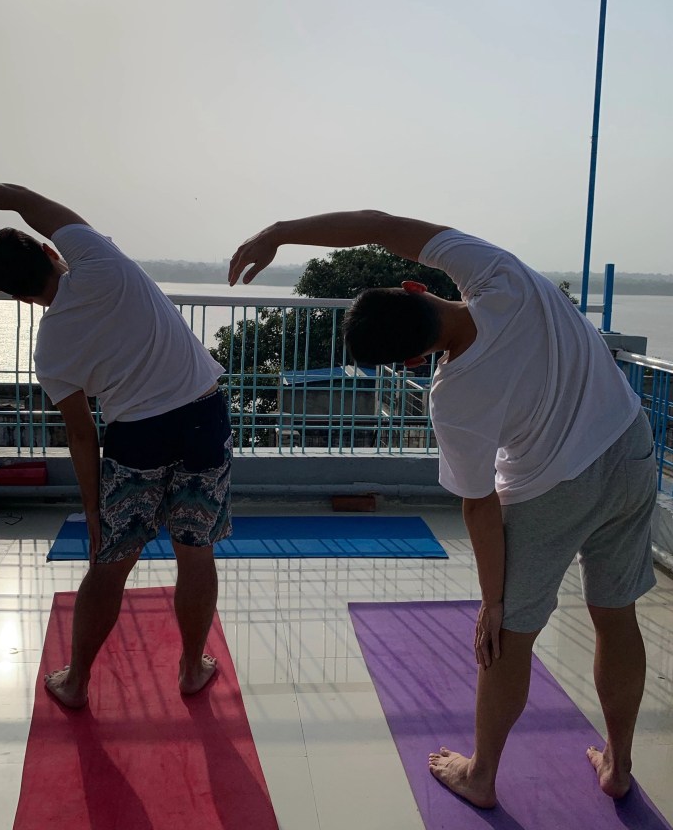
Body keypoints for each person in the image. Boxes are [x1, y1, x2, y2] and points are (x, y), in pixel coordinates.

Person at [229, 208, 656, 809]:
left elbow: (480, 507)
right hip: (630, 445)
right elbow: (379, 223)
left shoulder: (452, 398)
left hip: (551, 489)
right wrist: (278, 234)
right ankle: (619, 764)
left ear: (409, 361)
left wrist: (493, 603)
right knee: (616, 613)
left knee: (508, 638)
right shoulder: (501, 275)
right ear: (414, 285)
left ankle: (481, 776)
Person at [0, 179, 232, 704]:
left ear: (18, 296)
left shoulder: (52, 348)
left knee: (110, 563)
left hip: (138, 437)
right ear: (48, 249)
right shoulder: (103, 263)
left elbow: (82, 433)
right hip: (202, 414)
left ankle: (78, 681)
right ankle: (191, 670)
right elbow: (16, 196)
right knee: (195, 552)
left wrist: (92, 509)